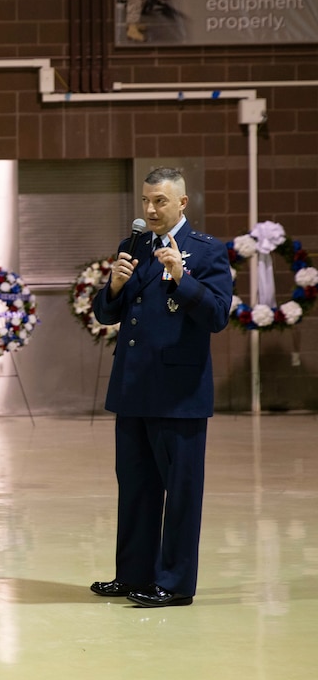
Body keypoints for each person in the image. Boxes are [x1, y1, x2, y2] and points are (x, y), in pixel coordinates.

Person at [90, 167, 232, 608]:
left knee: (182, 491)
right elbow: (108, 314)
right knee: (135, 486)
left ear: (182, 204)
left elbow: (217, 317)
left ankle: (174, 583)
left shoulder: (205, 252)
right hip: (133, 388)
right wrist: (113, 284)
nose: (150, 210)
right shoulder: (131, 246)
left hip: (179, 391)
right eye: (146, 201)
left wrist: (181, 278)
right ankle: (134, 575)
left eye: (161, 202)